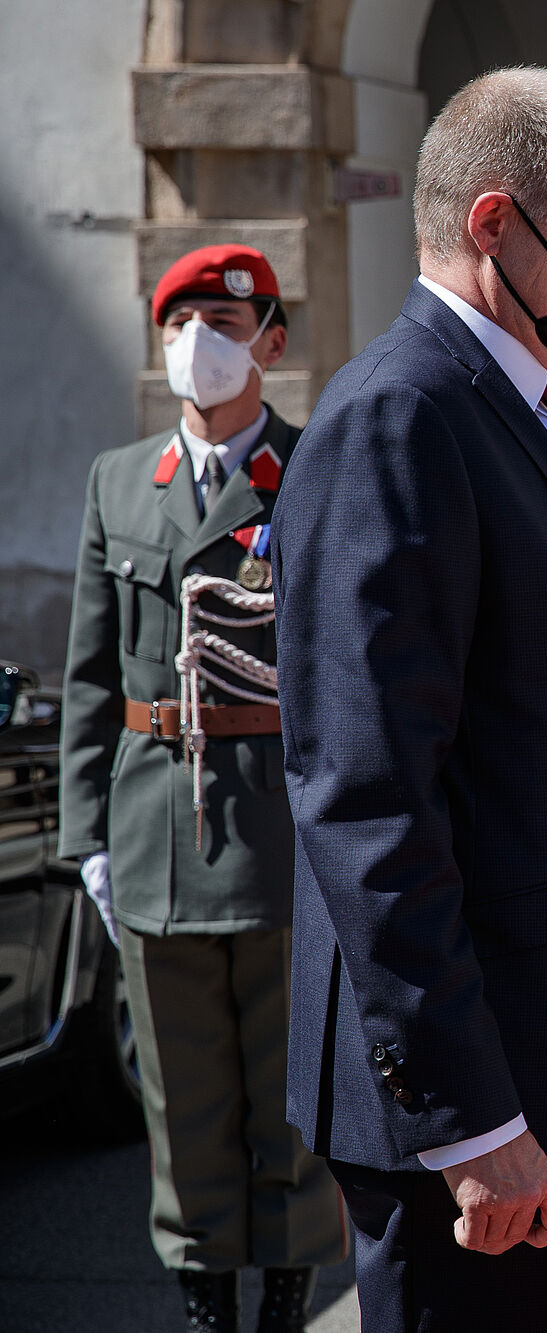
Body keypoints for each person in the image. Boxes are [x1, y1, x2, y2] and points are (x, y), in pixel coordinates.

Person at [272, 67, 547, 1332]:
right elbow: (367, 798)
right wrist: (471, 1121)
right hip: (488, 1106)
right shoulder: (397, 418)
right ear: (493, 225)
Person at [58, 243, 346, 1333]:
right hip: (156, 827)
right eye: (181, 327)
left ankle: (287, 1289)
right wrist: (88, 835)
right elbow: (92, 677)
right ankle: (204, 1291)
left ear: (272, 342)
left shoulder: (315, 470)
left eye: (224, 327)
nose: (199, 347)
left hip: (281, 825)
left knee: (287, 1083)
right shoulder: (119, 479)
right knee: (179, 1092)